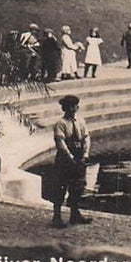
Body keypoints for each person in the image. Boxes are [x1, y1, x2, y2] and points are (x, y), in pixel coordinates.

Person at [51, 95, 91, 228]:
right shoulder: (60, 124)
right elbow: (61, 143)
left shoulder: (80, 121)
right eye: (70, 107)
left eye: (75, 106)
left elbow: (86, 137)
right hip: (65, 159)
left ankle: (75, 214)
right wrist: (70, 158)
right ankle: (57, 217)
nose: (73, 109)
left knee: (77, 187)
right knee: (61, 188)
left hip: (79, 156)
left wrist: (85, 154)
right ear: (64, 108)